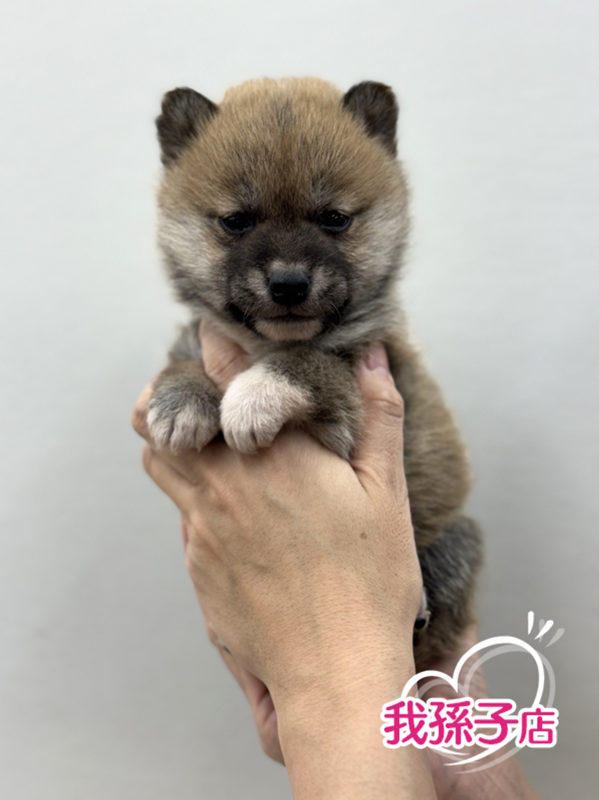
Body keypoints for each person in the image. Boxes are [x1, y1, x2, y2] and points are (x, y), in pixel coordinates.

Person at [132, 322, 542, 800]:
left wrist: (330, 690)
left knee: (456, 544)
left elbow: (346, 411)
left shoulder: (364, 343)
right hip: (394, 712)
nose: (289, 282)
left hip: (426, 576)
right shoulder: (203, 338)